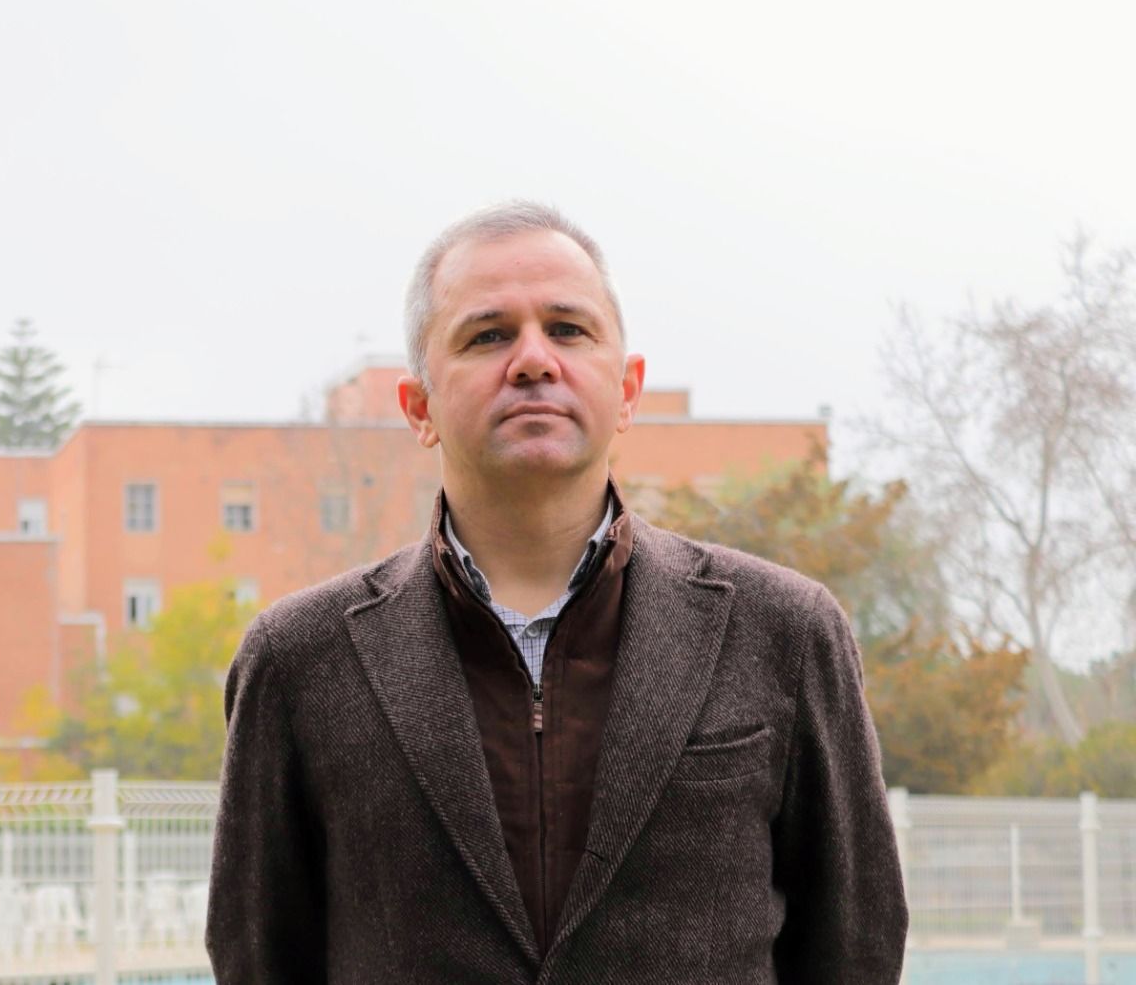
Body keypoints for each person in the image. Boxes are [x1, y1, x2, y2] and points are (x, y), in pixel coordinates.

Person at [205, 201, 908, 983]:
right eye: (488, 335)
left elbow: (855, 946)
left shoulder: (785, 633)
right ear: (419, 407)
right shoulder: (299, 661)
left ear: (628, 390)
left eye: (568, 330)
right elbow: (260, 958)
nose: (533, 359)